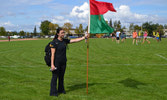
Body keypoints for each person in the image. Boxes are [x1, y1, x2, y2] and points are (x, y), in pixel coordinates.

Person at [49, 27, 88, 97]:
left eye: (64, 32)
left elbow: (75, 40)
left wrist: (84, 37)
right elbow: (52, 54)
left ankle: (61, 90)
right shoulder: (54, 42)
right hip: (56, 63)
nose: (63, 34)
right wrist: (52, 65)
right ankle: (53, 93)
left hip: (63, 62)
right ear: (58, 34)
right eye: (62, 33)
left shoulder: (64, 41)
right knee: (55, 77)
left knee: (61, 77)